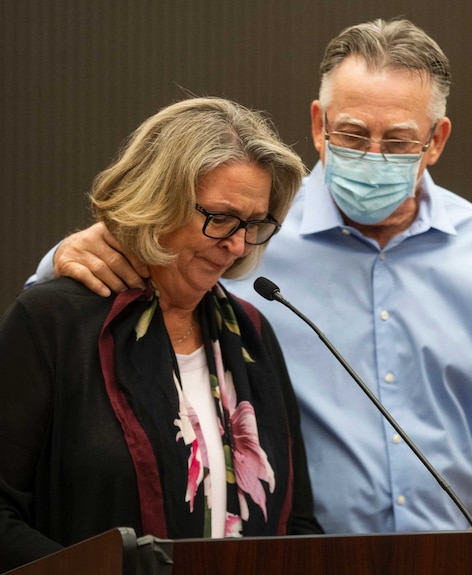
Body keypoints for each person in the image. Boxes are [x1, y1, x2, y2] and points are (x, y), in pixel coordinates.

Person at [25, 18, 472, 534]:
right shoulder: (251, 231)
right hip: (306, 554)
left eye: (400, 140)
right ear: (318, 124)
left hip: (454, 557)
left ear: (436, 141)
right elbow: (109, 289)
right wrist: (69, 256)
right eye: (353, 133)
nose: (373, 155)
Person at [0, 97, 323, 572]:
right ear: (159, 201)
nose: (236, 244)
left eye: (253, 224)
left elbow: (298, 522)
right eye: (220, 218)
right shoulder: (53, 323)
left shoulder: (252, 333)